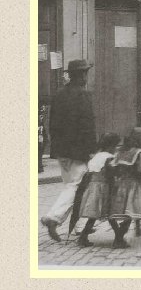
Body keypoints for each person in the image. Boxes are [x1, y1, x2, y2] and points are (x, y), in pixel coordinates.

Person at [40, 59, 97, 243]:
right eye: (85, 74)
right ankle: (53, 218)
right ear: (81, 75)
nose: (86, 77)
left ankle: (77, 226)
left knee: (70, 186)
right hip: (78, 151)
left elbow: (52, 123)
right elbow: (88, 126)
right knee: (77, 186)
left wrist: (55, 146)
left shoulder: (59, 95)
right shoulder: (84, 95)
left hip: (61, 150)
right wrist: (91, 150)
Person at [75, 132, 121, 247]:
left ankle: (83, 237)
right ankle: (119, 237)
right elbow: (110, 175)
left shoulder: (97, 156)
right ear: (111, 146)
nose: (116, 149)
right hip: (103, 187)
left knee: (94, 215)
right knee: (110, 213)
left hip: (93, 187)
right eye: (116, 146)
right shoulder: (109, 158)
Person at [108, 128, 141, 249]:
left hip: (121, 185)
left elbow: (113, 166)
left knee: (125, 210)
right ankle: (119, 238)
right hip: (134, 186)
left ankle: (137, 228)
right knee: (131, 211)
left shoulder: (122, 151)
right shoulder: (140, 153)